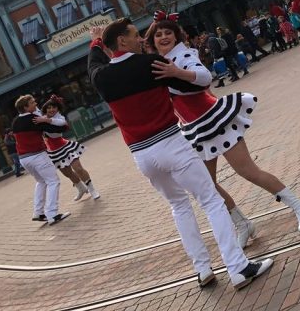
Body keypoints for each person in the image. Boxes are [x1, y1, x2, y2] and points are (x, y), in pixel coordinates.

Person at [89, 18, 272, 289]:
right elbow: (199, 84)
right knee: (210, 200)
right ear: (122, 41)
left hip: (142, 155)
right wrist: (179, 73)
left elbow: (93, 63)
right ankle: (238, 268)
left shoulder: (101, 77)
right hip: (171, 143)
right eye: (134, 35)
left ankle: (203, 269)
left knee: (179, 206)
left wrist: (95, 41)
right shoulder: (151, 64)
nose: (142, 39)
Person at [145, 15, 300, 247]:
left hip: (214, 120)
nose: (163, 37)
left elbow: (204, 78)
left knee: (248, 171)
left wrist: (177, 73)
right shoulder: (157, 64)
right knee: (206, 186)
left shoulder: (183, 55)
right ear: (152, 40)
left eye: (168, 32)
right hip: (193, 130)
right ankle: (242, 224)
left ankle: (299, 206)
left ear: (176, 35)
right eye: (158, 34)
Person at [12, 94, 68, 223]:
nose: (35, 104)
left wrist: (44, 119)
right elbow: (59, 127)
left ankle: (38, 213)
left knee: (41, 182)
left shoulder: (15, 121)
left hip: (24, 159)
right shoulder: (34, 119)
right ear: (26, 107)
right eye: (32, 103)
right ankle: (52, 214)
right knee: (53, 181)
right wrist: (50, 120)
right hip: (37, 156)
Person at [41, 96, 100, 201]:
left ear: (58, 108)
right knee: (67, 173)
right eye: (48, 107)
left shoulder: (59, 118)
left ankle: (92, 189)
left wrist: (47, 120)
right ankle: (81, 188)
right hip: (53, 151)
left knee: (78, 169)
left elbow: (61, 123)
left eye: (54, 107)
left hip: (65, 147)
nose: (51, 109)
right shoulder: (42, 118)